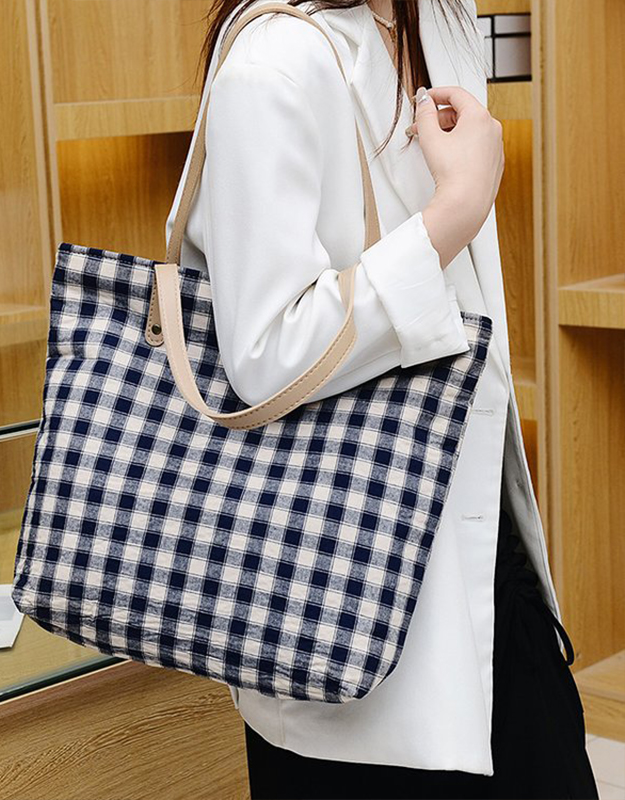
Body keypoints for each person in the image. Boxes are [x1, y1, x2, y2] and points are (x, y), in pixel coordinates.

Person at [164, 0, 599, 796]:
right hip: (338, 601)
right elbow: (265, 353)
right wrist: (451, 215)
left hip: (478, 557)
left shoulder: (442, 20)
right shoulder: (274, 61)